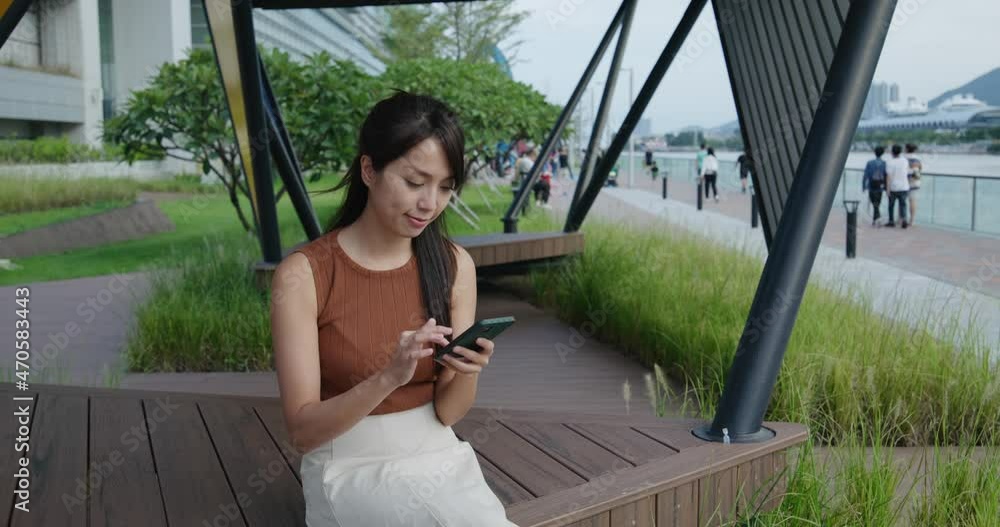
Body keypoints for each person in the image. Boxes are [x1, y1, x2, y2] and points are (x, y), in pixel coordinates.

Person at [270, 91, 517, 527]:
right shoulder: (304, 274)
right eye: (414, 182)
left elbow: (449, 414)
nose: (430, 203)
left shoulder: (453, 264)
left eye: (445, 187)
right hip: (346, 466)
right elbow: (303, 433)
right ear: (369, 170)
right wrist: (389, 376)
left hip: (439, 458)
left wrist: (466, 369)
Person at [885, 143, 910, 228]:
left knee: (891, 205)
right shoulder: (905, 161)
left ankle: (891, 221)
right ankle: (904, 220)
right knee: (903, 205)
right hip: (904, 186)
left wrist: (887, 189)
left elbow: (889, 177)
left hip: (893, 187)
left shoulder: (890, 162)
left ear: (892, 152)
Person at [862, 146, 887, 226]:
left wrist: (863, 186)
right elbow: (886, 175)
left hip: (871, 186)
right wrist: (886, 187)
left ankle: (876, 219)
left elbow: (865, 175)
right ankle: (876, 219)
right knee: (877, 203)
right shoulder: (884, 163)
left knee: (874, 203)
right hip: (880, 186)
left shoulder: (870, 163)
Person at [905, 143, 922, 226]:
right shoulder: (918, 158)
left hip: (904, 182)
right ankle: (912, 220)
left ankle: (901, 219)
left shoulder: (903, 158)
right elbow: (920, 169)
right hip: (915, 182)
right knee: (912, 201)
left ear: (907, 149)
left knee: (902, 201)